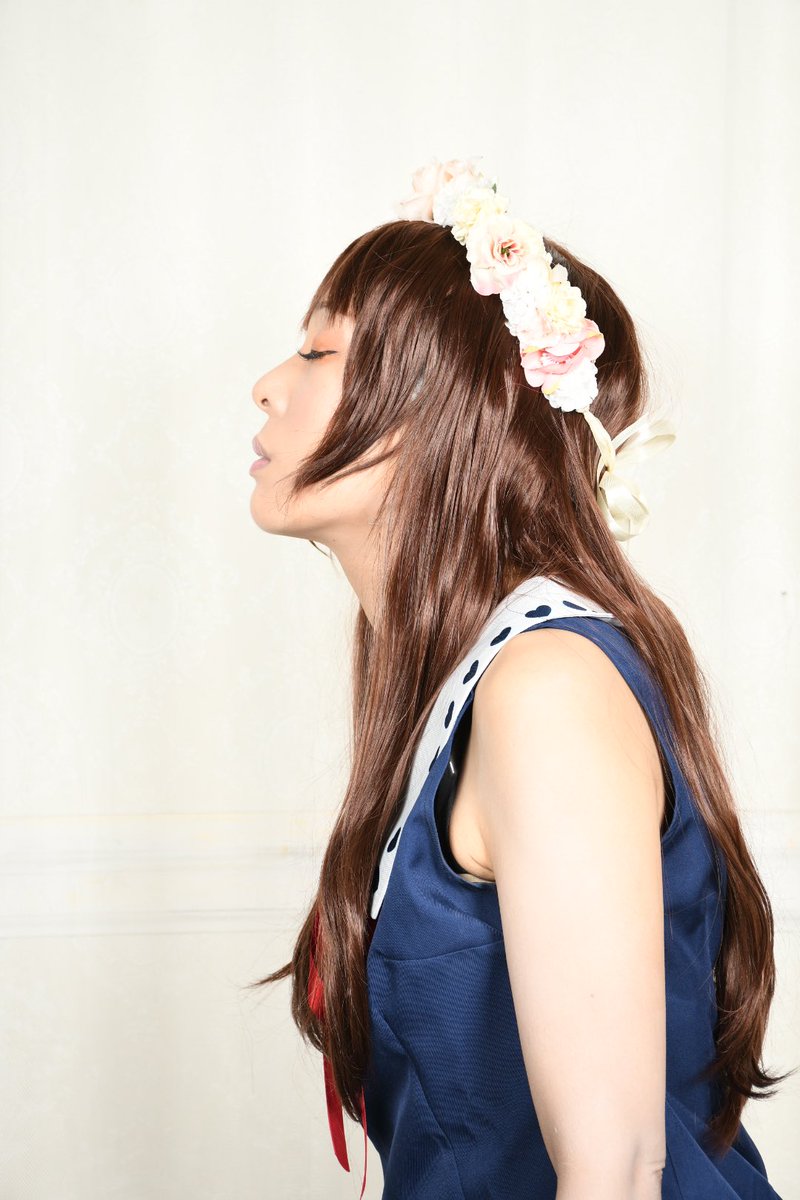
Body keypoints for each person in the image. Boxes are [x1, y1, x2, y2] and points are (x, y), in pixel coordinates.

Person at [245, 157, 791, 1199]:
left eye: (318, 350)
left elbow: (614, 1175)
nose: (269, 383)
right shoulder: (474, 682)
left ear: (442, 404)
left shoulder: (545, 687)